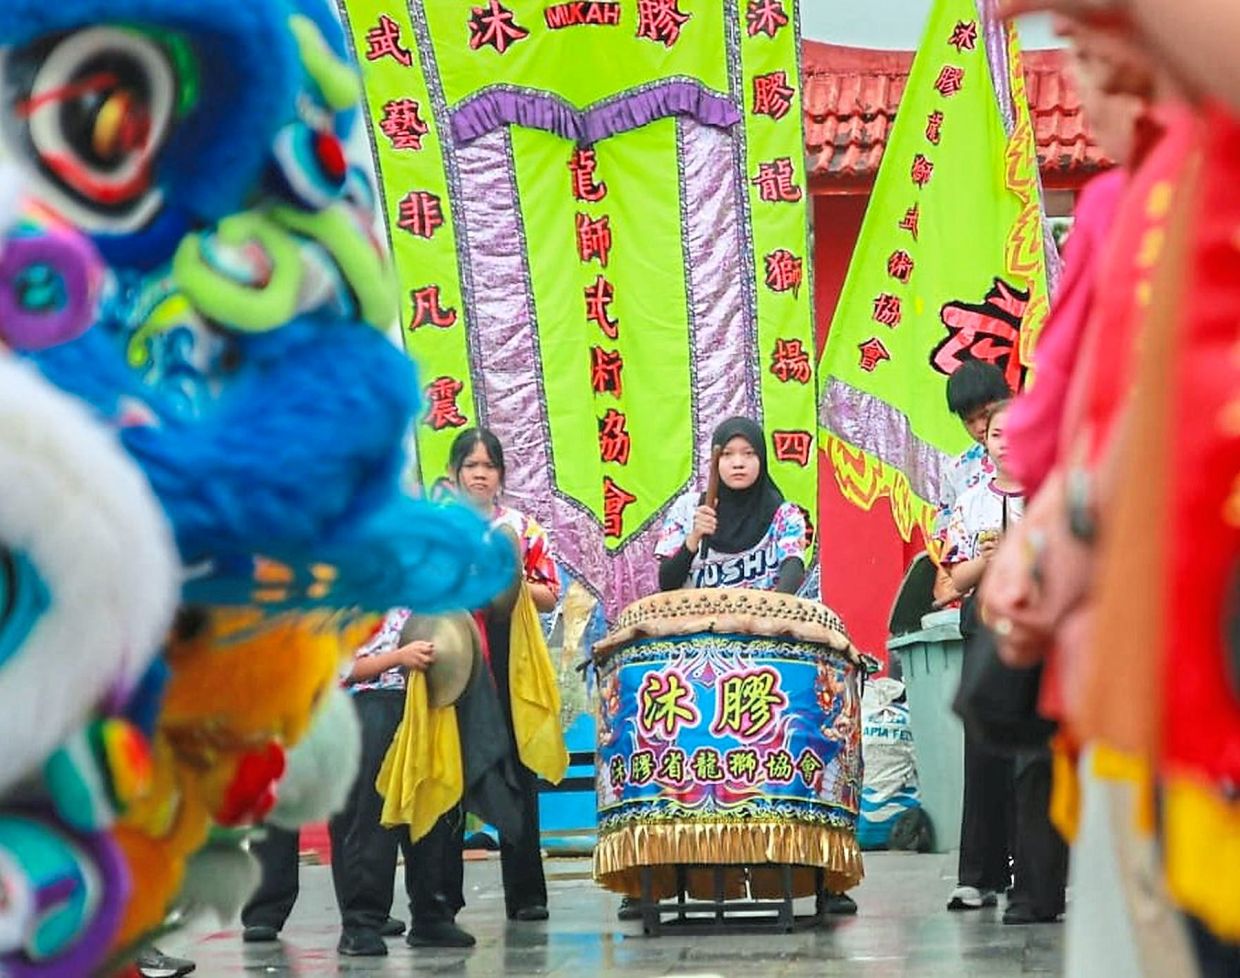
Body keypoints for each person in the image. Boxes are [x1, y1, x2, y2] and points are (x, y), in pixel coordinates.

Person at [942, 402, 1068, 923]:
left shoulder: (1055, 496)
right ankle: (977, 877)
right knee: (983, 756)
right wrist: (991, 559)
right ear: (985, 442)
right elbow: (950, 580)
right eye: (997, 434)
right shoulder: (969, 501)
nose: (1006, 443)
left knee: (1035, 760)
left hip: (1042, 632)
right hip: (986, 627)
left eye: (1019, 433)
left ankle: (1034, 882)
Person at [447, 427, 560, 922]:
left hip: (508, 657)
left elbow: (550, 594)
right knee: (449, 774)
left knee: (518, 771)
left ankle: (527, 894)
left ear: (500, 476)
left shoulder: (522, 528)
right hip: (455, 659)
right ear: (454, 474)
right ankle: (440, 902)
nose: (479, 473)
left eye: (488, 466)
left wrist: (506, 578)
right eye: (470, 465)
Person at [328, 611, 474, 956]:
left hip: (428, 704)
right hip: (372, 702)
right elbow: (341, 667)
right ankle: (361, 924)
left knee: (435, 812)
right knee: (372, 819)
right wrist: (398, 658)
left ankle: (432, 915)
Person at [655, 416, 807, 595]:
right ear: (715, 461)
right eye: (727, 454)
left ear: (762, 459)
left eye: (748, 453)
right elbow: (667, 583)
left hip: (762, 618)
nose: (738, 463)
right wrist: (694, 537)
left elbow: (794, 568)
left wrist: (771, 612)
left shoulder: (783, 515)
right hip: (697, 619)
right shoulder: (687, 508)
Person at [932, 360, 1012, 608]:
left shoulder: (1045, 454)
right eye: (969, 421)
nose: (980, 428)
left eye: (985, 415)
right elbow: (948, 565)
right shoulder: (957, 472)